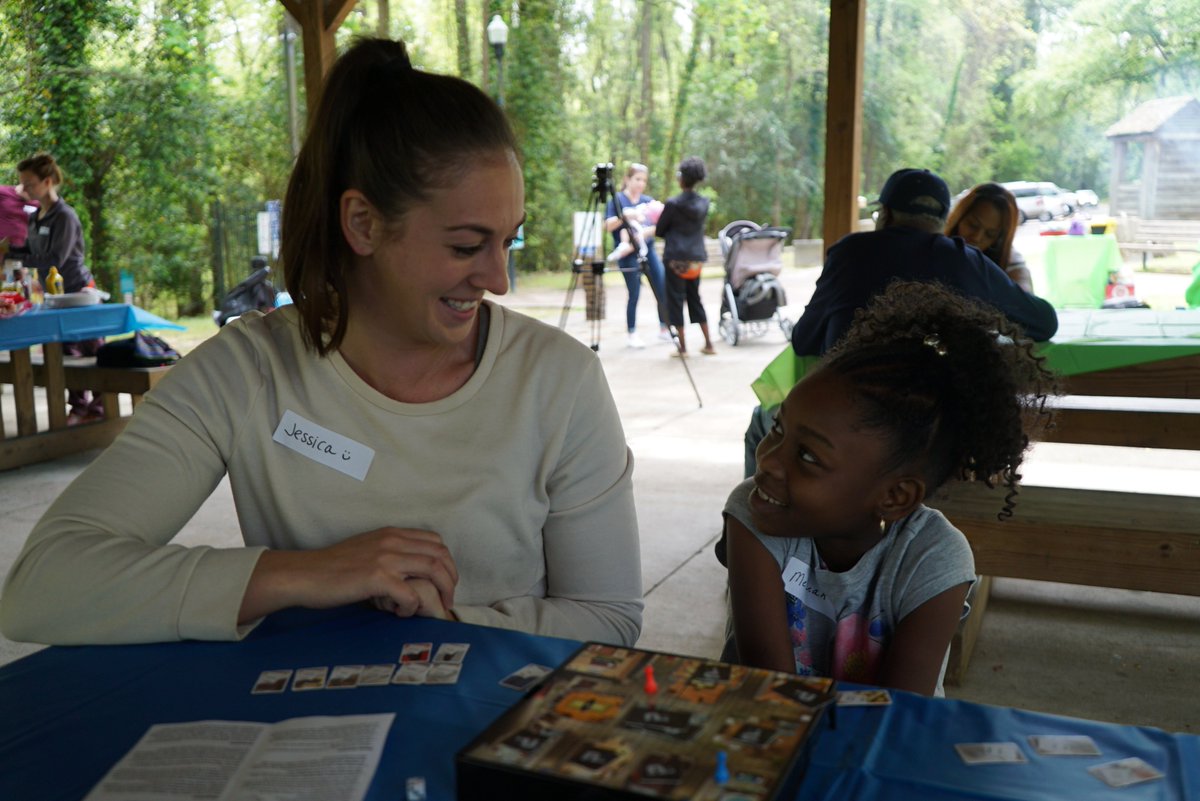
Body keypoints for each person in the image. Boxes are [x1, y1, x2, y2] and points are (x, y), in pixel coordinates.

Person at [0, 37, 643, 649]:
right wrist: (303, 575)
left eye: (509, 241)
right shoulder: (248, 372)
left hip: (497, 736)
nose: (498, 279)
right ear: (363, 223)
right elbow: (44, 585)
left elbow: (608, 617)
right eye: (466, 246)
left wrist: (451, 619)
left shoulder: (558, 380)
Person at [725, 281, 1058, 696]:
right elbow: (770, 692)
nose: (769, 460)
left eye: (808, 456)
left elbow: (898, 713)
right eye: (778, 428)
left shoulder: (935, 559)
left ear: (895, 497)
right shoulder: (756, 513)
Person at [14, 153, 103, 425]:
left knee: (94, 350)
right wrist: (10, 251)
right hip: (54, 296)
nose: (24, 190)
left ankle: (98, 408)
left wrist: (14, 258)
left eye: (29, 184)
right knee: (63, 352)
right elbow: (30, 250)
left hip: (79, 292)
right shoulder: (35, 216)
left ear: (48, 181)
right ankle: (77, 407)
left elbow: (55, 258)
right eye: (22, 184)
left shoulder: (65, 216)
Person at [654, 156, 715, 357]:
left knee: (675, 300)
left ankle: (682, 348)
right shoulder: (704, 203)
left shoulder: (673, 204)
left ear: (682, 178)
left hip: (675, 260)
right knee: (695, 298)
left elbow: (660, 230)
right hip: (696, 260)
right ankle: (709, 344)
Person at [605, 163, 670, 348]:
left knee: (661, 286)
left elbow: (658, 225)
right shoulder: (617, 200)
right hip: (627, 253)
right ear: (627, 179)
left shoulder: (648, 201)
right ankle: (632, 332)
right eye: (637, 179)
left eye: (644, 180)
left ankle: (665, 327)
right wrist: (627, 216)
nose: (641, 183)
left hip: (647, 249)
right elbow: (608, 225)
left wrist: (645, 233)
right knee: (634, 292)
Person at [945, 182, 1033, 293]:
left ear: (999, 240)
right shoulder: (935, 248)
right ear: (959, 218)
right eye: (972, 225)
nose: (977, 237)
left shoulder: (1010, 264)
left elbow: (1025, 293)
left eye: (990, 234)